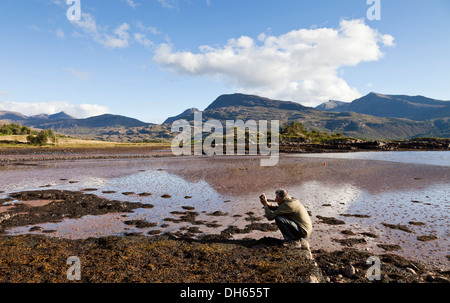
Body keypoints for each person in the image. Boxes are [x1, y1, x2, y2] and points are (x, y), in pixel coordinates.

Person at [259, 189, 312, 256]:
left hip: (303, 231)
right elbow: (279, 209)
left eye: (276, 197)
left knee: (279, 218)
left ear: (280, 199)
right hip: (304, 229)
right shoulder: (291, 200)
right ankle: (294, 238)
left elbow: (270, 217)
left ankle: (292, 241)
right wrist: (267, 203)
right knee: (281, 216)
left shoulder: (287, 205)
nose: (275, 200)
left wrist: (266, 206)